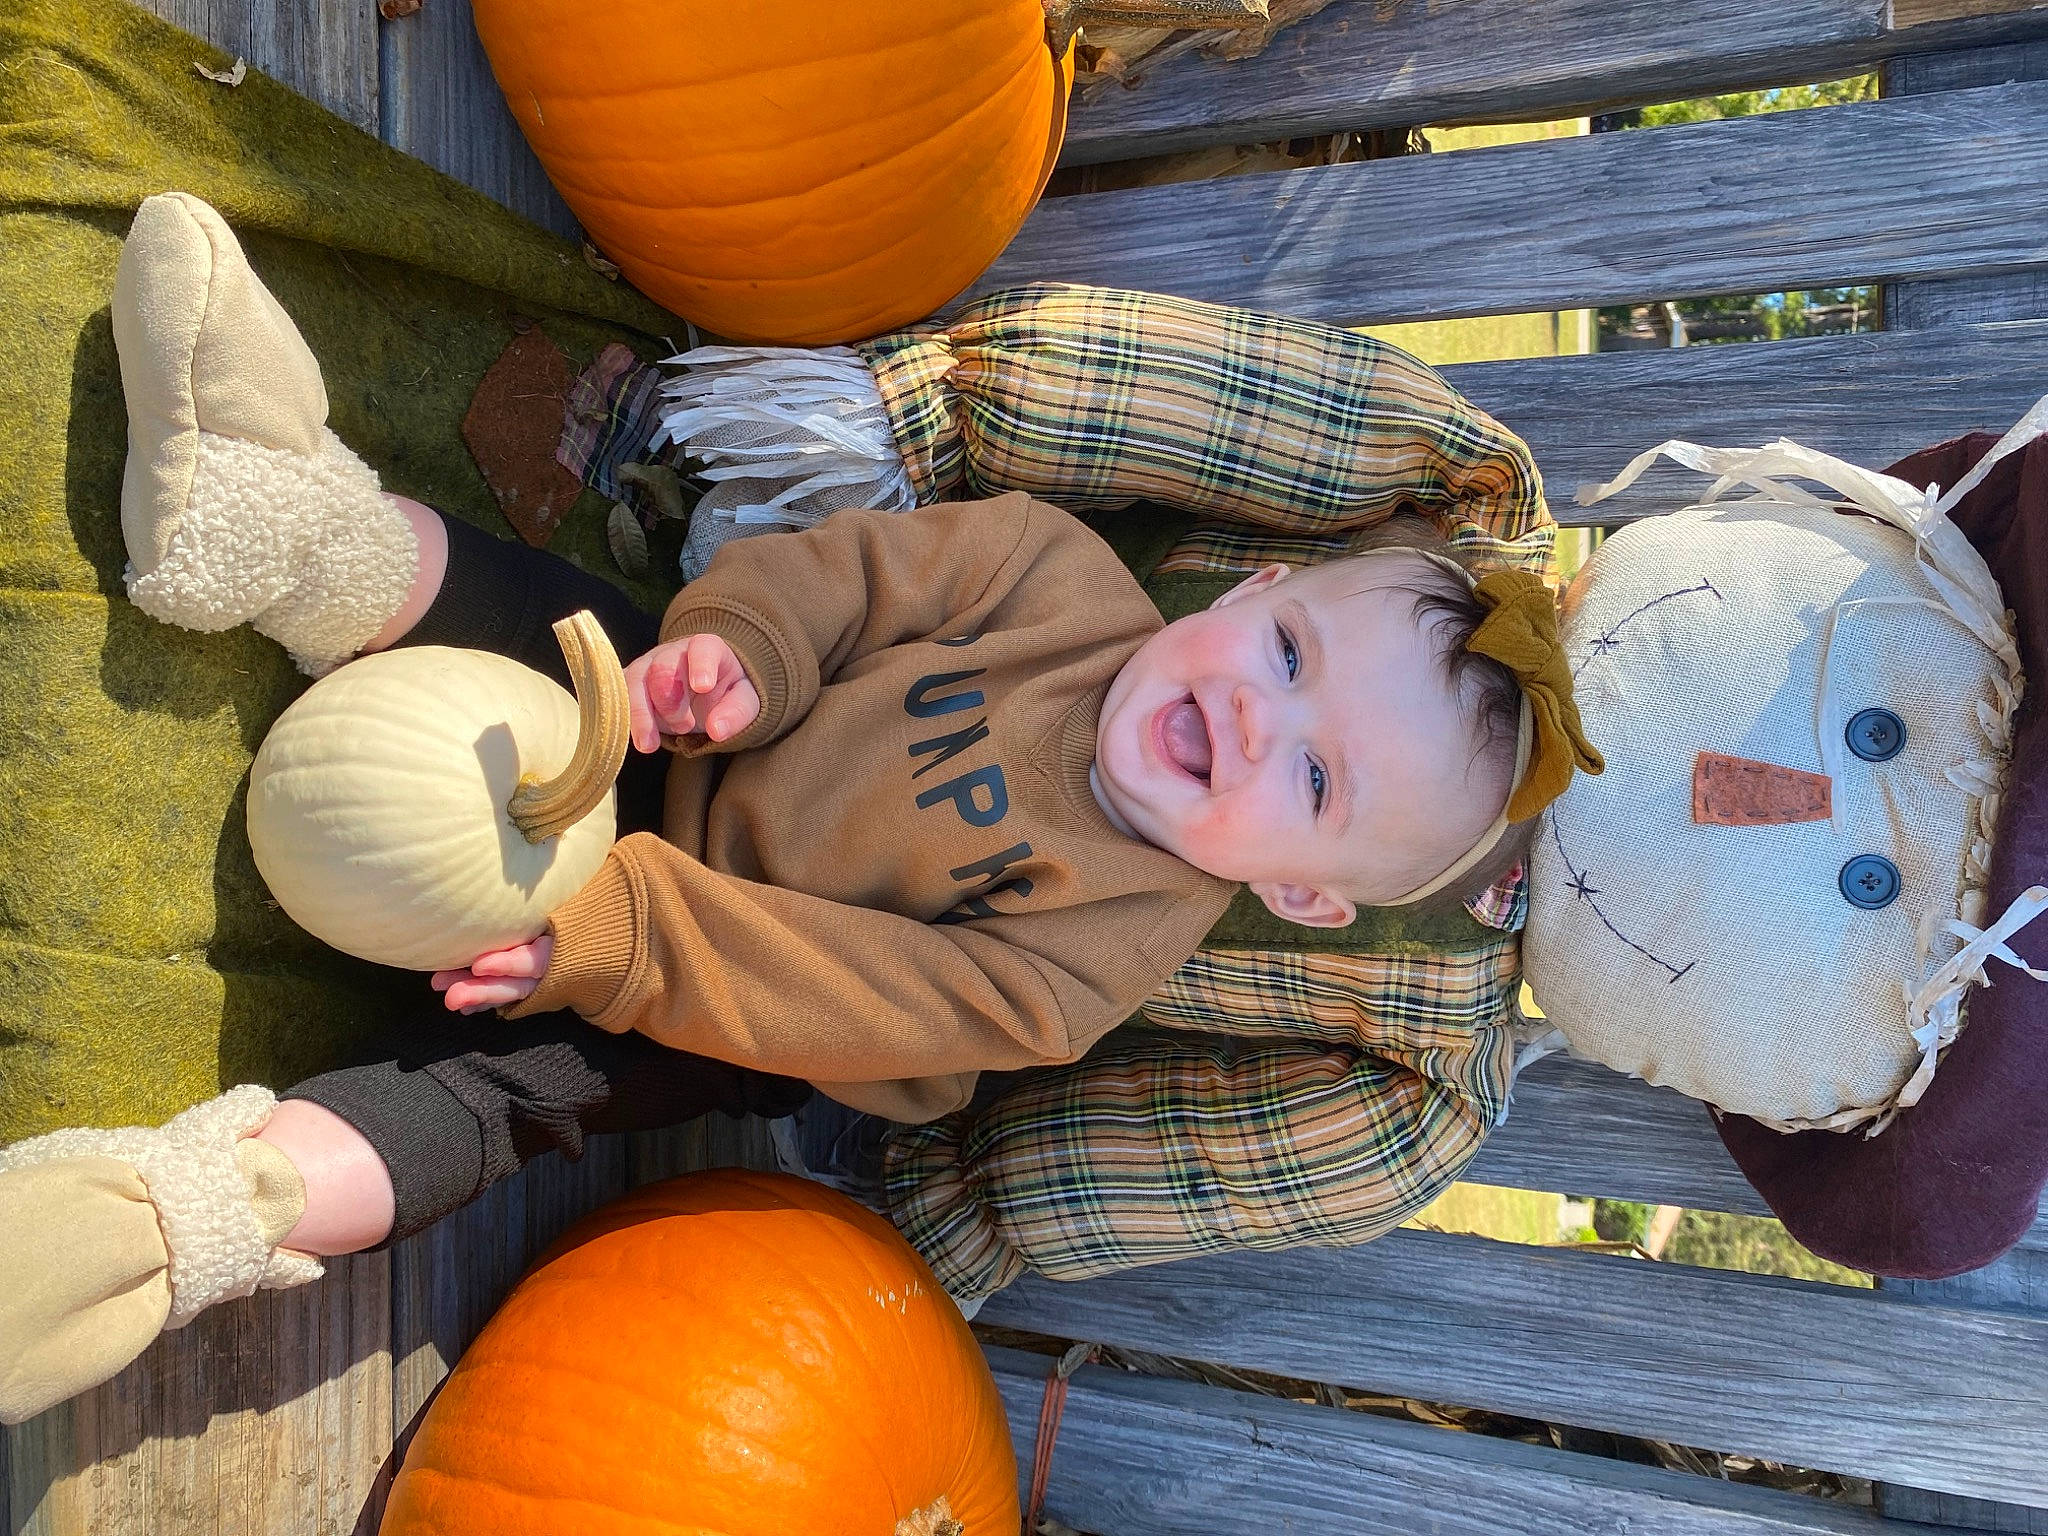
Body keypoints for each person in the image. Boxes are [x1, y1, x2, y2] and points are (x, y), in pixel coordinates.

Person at [0, 194, 1596, 1423]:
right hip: (678, 749)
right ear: (1249, 591)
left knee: (500, 1101)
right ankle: (273, 519)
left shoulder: (1099, 958)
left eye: (1315, 779)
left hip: (706, 997)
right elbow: (849, 577)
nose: (1258, 715)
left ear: (1302, 895)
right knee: (554, 616)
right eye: (1290, 653)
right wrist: (741, 658)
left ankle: (187, 1219)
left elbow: (857, 1000)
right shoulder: (1051, 574)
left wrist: (615, 940)